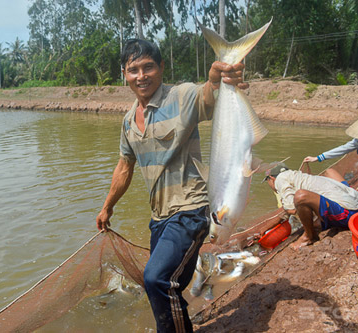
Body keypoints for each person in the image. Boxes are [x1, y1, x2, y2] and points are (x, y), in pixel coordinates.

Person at [95, 38, 247, 332]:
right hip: (159, 219)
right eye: (133, 69)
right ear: (124, 75)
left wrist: (221, 79)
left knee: (156, 279)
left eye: (148, 67)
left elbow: (210, 94)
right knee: (169, 285)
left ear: (161, 67)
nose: (141, 76)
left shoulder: (181, 96)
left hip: (191, 210)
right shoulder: (128, 121)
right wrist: (107, 207)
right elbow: (124, 167)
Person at [263, 163, 358, 250]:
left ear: (271, 178)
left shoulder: (280, 179)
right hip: (355, 200)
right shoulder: (298, 176)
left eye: (268, 182)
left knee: (300, 196)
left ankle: (309, 237)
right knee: (329, 171)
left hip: (349, 215)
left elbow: (291, 209)